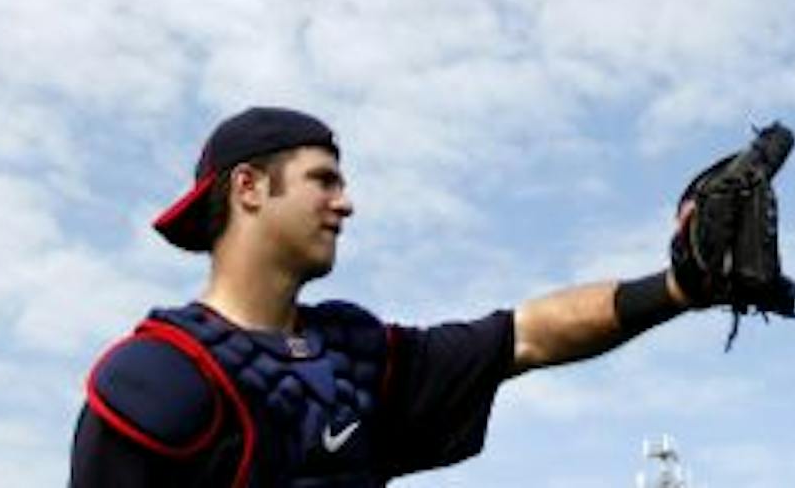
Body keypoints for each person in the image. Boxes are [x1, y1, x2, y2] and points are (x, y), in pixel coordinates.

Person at [68, 106, 705, 486]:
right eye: (323, 180)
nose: (344, 203)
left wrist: (679, 286)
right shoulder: (157, 377)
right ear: (250, 187)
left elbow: (527, 335)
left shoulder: (359, 356)